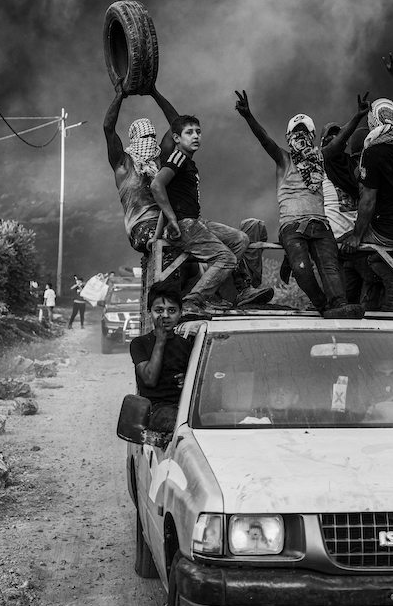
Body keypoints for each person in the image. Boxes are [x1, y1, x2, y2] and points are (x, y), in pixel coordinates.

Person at [235, 91, 356, 318]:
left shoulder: (321, 157)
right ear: (288, 136)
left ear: (311, 136)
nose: (301, 137)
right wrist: (248, 116)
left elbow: (339, 142)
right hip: (292, 227)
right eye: (296, 132)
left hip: (320, 226)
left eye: (305, 132)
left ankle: (339, 305)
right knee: (302, 270)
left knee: (330, 267)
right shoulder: (283, 159)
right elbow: (265, 139)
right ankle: (323, 306)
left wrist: (358, 116)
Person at [151, 113, 272, 313]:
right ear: (176, 138)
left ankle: (235, 289)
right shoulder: (178, 157)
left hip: (197, 222)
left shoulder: (188, 162)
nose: (196, 136)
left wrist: (156, 236)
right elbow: (156, 185)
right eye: (189, 132)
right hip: (186, 226)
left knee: (241, 239)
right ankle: (193, 301)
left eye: (198, 132)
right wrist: (171, 221)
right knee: (226, 258)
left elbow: (169, 199)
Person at [342, 48, 393, 313]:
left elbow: (368, 202)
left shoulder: (372, 153)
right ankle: (384, 290)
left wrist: (356, 236)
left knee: (341, 246)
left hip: (387, 234)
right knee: (355, 241)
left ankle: (350, 304)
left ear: (373, 122)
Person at [102, 82, 183, 254]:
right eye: (145, 137)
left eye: (152, 136)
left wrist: (154, 92)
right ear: (134, 138)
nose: (150, 140)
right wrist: (119, 95)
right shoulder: (123, 164)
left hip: (167, 221)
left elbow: (177, 125)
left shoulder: (159, 159)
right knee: (168, 239)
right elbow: (108, 128)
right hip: (141, 228)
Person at [321, 93, 380, 311]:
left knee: (357, 298)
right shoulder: (325, 158)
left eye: (339, 136)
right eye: (331, 136)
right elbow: (335, 146)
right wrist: (357, 116)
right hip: (339, 240)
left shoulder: (350, 166)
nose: (336, 139)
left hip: (356, 239)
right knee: (382, 276)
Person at [129, 287, 193, 432]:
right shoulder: (140, 344)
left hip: (186, 407)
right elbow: (149, 379)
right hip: (155, 410)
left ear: (180, 313)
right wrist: (160, 341)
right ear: (149, 313)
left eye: (171, 311)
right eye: (159, 310)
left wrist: (188, 380)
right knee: (180, 425)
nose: (165, 316)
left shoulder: (188, 345)